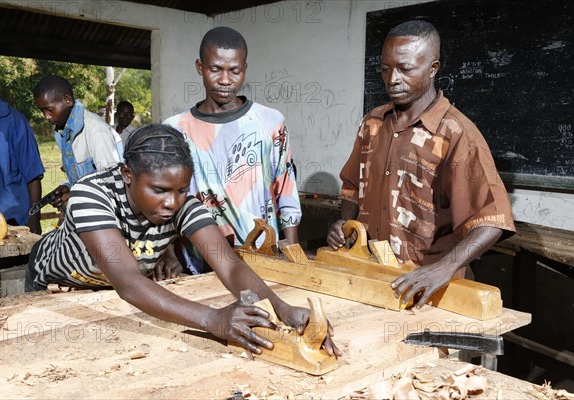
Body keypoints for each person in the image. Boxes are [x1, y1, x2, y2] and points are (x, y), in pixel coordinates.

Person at [25, 124, 340, 357]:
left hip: (108, 291)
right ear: (126, 174)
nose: (172, 203)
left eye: (181, 190)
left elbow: (229, 267)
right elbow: (130, 284)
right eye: (159, 190)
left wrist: (280, 309)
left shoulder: (182, 204)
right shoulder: (91, 194)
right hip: (56, 285)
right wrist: (212, 318)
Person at [327, 20, 515, 308]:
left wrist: (443, 268)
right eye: (386, 68)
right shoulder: (373, 123)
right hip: (369, 275)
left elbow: (492, 221)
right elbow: (352, 186)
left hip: (426, 288)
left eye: (405, 69)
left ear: (433, 68)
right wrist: (345, 222)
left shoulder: (455, 133)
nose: (392, 79)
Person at [164, 27, 301, 273]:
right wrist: (169, 252)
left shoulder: (270, 122)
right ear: (199, 67)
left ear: (244, 69)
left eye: (234, 71)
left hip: (263, 259)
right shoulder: (175, 129)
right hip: (197, 264)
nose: (225, 80)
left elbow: (286, 191)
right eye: (215, 69)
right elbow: (164, 201)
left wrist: (293, 255)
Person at [0, 64, 45, 307]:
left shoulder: (15, 122)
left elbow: (32, 175)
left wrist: (34, 218)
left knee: (12, 293)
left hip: (12, 222)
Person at [33, 75, 123, 209]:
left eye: (50, 109)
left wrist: (74, 194)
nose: (46, 117)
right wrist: (68, 186)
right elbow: (83, 175)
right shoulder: (62, 132)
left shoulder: (96, 130)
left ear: (68, 100)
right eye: (42, 111)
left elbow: (112, 182)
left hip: (107, 216)